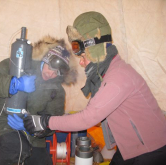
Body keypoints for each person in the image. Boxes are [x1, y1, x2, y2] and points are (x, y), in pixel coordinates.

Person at [22, 11, 166, 165]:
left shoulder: (118, 77)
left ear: (94, 51)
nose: (82, 63)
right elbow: (91, 111)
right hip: (131, 149)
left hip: (151, 151)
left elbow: (87, 118)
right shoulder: (110, 73)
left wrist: (46, 121)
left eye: (83, 57)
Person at [0, 35, 77, 165]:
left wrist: (31, 126)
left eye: (57, 73)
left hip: (31, 134)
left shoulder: (57, 91)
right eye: (51, 68)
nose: (51, 74)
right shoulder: (18, 63)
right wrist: (14, 84)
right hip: (1, 120)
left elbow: (52, 122)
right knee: (15, 147)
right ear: (44, 59)